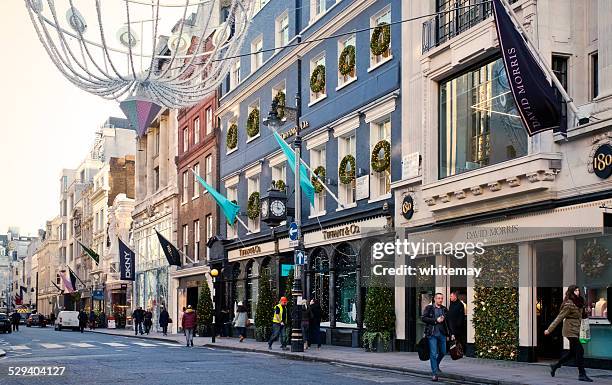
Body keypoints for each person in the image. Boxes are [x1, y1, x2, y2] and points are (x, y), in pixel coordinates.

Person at [545, 285, 593, 382]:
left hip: (576, 330)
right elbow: (559, 318)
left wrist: (587, 311)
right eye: (575, 290)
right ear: (571, 292)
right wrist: (549, 330)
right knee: (580, 350)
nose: (578, 292)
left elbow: (582, 315)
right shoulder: (568, 304)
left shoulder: (579, 302)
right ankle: (582, 374)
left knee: (572, 353)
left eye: (578, 290)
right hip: (569, 330)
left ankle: (555, 366)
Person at [422, 293, 450, 382]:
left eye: (441, 298)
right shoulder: (429, 308)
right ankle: (434, 374)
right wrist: (435, 320)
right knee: (433, 354)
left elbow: (448, 322)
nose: (440, 300)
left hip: (442, 334)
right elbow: (423, 318)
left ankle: (436, 365)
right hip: (432, 334)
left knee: (443, 352)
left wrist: (450, 334)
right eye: (438, 298)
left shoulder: (444, 309)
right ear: (434, 299)